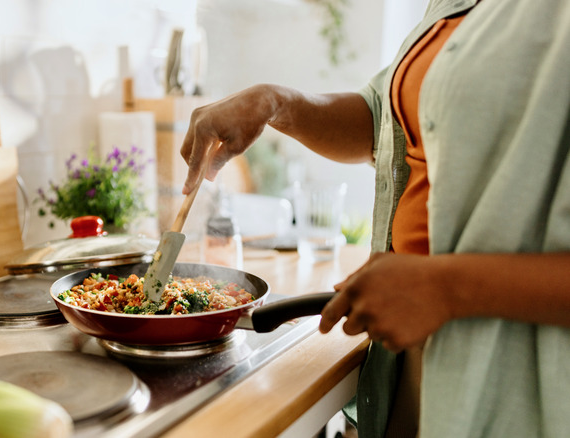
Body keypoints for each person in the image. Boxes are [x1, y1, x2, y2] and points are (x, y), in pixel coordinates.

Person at [178, 0, 570, 437]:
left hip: (521, 382)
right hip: (414, 360)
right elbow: (387, 118)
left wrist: (446, 287)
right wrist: (274, 103)